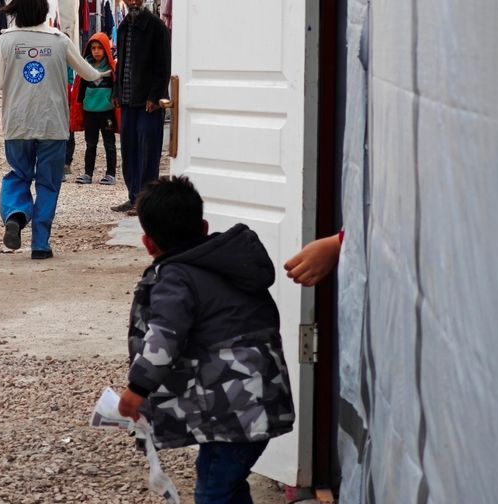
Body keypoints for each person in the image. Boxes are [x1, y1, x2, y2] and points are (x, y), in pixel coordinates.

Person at [118, 176, 295, 504]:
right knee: (225, 480)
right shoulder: (232, 265)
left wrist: (137, 389)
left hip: (233, 409)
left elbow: (164, 338)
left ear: (148, 244)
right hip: (261, 397)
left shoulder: (175, 278)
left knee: (214, 490)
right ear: (204, 226)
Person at [0, 0, 110, 259]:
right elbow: (88, 72)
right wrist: (102, 75)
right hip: (53, 125)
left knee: (19, 174)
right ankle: (40, 245)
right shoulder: (60, 40)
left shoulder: (6, 41)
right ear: (45, 11)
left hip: (17, 124)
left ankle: (15, 214)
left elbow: (0, 83)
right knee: (48, 184)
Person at [110, 0, 171, 215]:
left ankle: (146, 200)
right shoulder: (123, 26)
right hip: (128, 100)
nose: (132, 1)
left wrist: (155, 96)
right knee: (129, 149)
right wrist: (116, 92)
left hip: (148, 102)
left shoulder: (156, 27)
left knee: (148, 150)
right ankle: (133, 196)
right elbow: (120, 65)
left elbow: (163, 65)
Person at [70, 33, 118, 185]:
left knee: (109, 144)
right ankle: (87, 173)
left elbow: (117, 89)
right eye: (93, 48)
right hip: (90, 111)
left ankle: (111, 174)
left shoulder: (112, 70)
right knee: (90, 144)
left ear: (106, 50)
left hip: (107, 112)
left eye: (100, 48)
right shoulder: (85, 69)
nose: (96, 51)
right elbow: (79, 91)